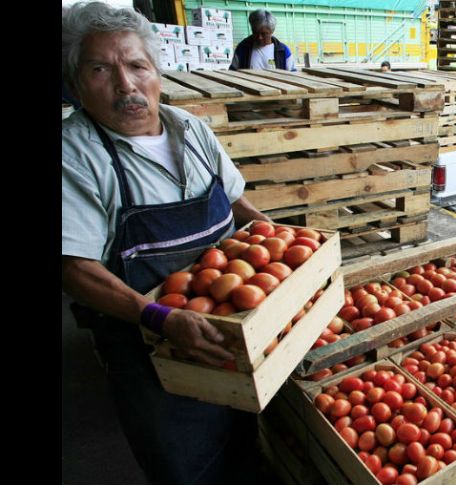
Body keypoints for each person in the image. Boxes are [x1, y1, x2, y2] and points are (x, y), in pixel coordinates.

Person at [62, 3, 271, 484]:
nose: (126, 85)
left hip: (234, 329)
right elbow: (72, 266)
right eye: (100, 70)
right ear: (75, 85)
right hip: (151, 350)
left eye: (137, 65)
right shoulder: (75, 155)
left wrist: (282, 238)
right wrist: (160, 317)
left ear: (157, 72)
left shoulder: (190, 128)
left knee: (249, 446)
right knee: (187, 465)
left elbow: (234, 200)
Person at [230, 9, 296, 71]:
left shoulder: (283, 51)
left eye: (264, 34)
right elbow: (232, 72)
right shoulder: (242, 48)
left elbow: (293, 74)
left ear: (272, 31)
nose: (259, 37)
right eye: (255, 32)